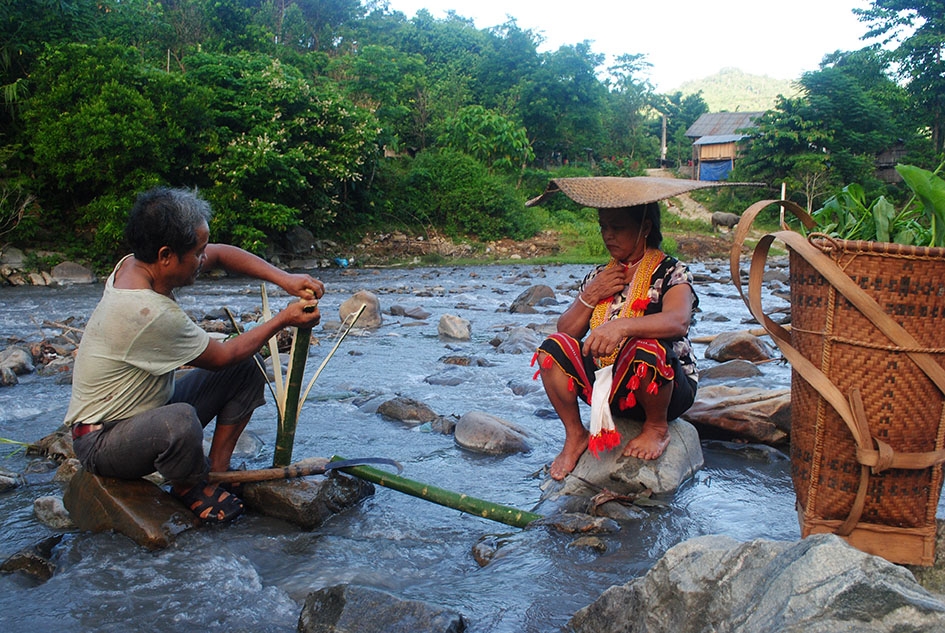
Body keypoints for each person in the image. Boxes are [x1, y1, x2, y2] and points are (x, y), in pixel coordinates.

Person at [64, 187, 324, 523]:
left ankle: (215, 471)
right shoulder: (145, 311)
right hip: (104, 441)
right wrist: (283, 319)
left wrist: (284, 278)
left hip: (147, 412)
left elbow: (220, 254)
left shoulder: (136, 264)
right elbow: (221, 356)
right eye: (197, 253)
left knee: (248, 366)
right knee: (181, 420)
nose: (204, 260)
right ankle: (188, 485)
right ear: (166, 256)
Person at [527, 177, 701, 481]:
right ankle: (575, 435)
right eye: (603, 227)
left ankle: (656, 428)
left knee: (647, 346)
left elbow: (678, 321)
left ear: (645, 227)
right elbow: (566, 331)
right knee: (551, 349)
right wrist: (590, 295)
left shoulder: (671, 270)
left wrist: (621, 327)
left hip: (666, 387)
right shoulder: (599, 274)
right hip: (608, 385)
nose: (608, 235)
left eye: (617, 227)